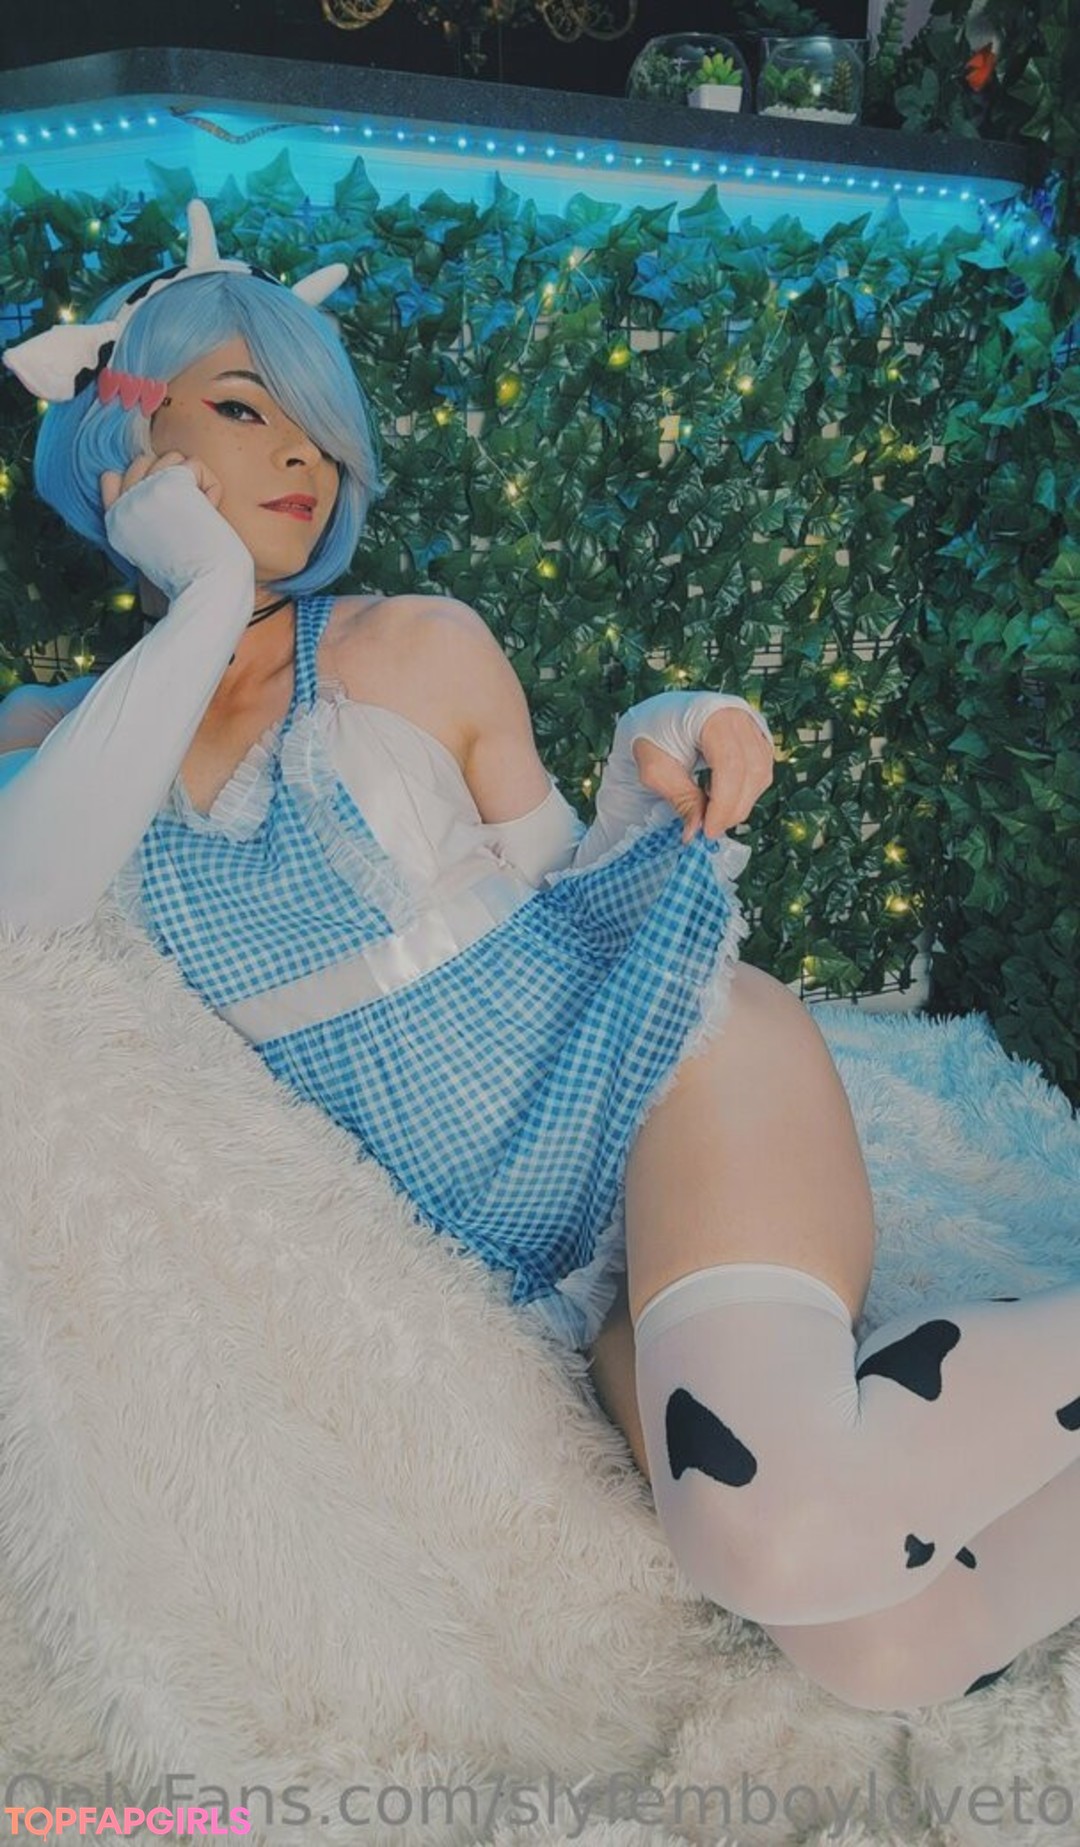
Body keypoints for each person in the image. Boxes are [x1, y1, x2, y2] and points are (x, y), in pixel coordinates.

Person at [3, 200, 1080, 1718]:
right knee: (884, 1651)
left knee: (776, 1533)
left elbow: (577, 883)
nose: (304, 457)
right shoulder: (54, 740)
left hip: (667, 1084)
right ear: (123, 429)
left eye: (322, 428)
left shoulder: (409, 645)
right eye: (245, 409)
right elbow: (25, 903)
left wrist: (677, 734)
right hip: (549, 1267)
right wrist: (205, 603)